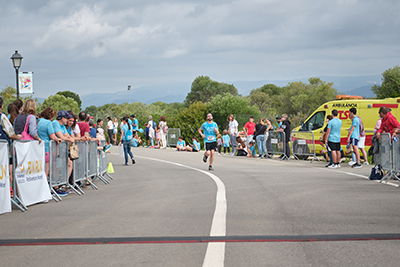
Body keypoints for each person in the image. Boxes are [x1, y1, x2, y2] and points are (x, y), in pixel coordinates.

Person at [0, 97, 22, 197]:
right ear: (2, 106)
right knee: (8, 169)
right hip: (4, 148)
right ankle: (10, 191)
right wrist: (18, 137)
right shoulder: (2, 117)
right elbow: (11, 134)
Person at [37, 107, 62, 187]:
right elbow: (52, 136)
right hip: (47, 148)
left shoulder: (37, 121)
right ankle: (44, 188)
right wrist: (57, 139)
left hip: (37, 148)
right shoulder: (48, 123)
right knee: (46, 170)